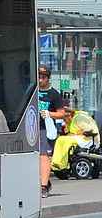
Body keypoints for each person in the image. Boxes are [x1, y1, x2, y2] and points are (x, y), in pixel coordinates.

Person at [37, 66, 65, 197]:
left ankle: (43, 187)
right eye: (39, 77)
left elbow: (62, 113)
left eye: (43, 78)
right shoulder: (33, 91)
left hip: (45, 129)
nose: (41, 80)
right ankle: (44, 182)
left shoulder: (54, 94)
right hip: (31, 128)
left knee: (44, 156)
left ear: (48, 78)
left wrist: (49, 113)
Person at [51, 106, 99, 172]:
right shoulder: (71, 120)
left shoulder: (80, 118)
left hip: (88, 139)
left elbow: (90, 131)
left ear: (68, 116)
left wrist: (74, 134)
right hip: (78, 139)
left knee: (67, 140)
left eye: (64, 119)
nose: (64, 121)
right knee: (60, 139)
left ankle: (64, 164)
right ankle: (56, 163)